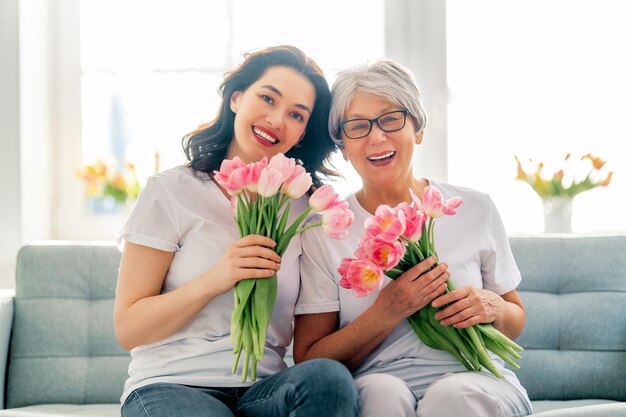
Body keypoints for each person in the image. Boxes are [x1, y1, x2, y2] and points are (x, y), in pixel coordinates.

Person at [114, 45, 359, 417]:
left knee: (328, 378)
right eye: (267, 98)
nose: (277, 119)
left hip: (263, 390)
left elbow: (315, 335)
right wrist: (217, 278)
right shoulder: (171, 191)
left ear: (303, 132)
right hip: (173, 385)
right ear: (236, 98)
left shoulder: (307, 208)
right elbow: (129, 328)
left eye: (296, 114)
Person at [293, 59, 533, 417]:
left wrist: (492, 308)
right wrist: (386, 311)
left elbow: (515, 318)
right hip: (375, 379)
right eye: (358, 126)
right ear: (342, 146)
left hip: (476, 377)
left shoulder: (474, 208)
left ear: (418, 129)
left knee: (451, 397)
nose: (377, 137)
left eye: (391, 119)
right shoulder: (326, 228)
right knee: (381, 395)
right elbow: (309, 358)